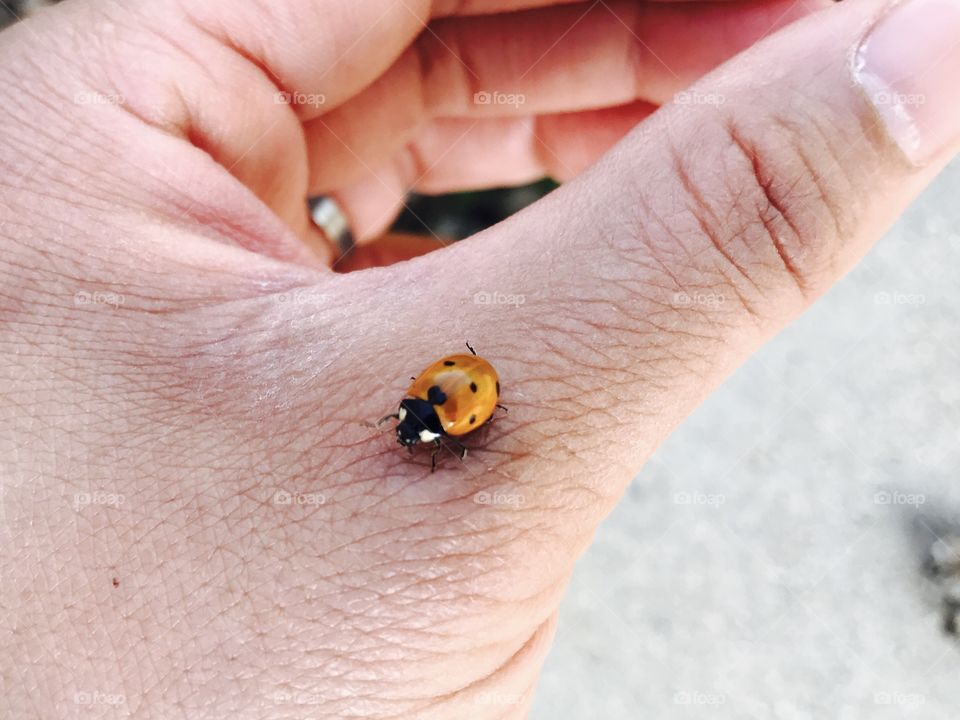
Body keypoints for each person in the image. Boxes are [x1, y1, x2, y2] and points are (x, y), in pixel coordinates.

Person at [1, 0, 958, 717]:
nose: (416, 432)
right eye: (423, 427)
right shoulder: (438, 405)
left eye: (421, 426)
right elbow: (446, 401)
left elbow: (452, 401)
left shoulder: (444, 407)